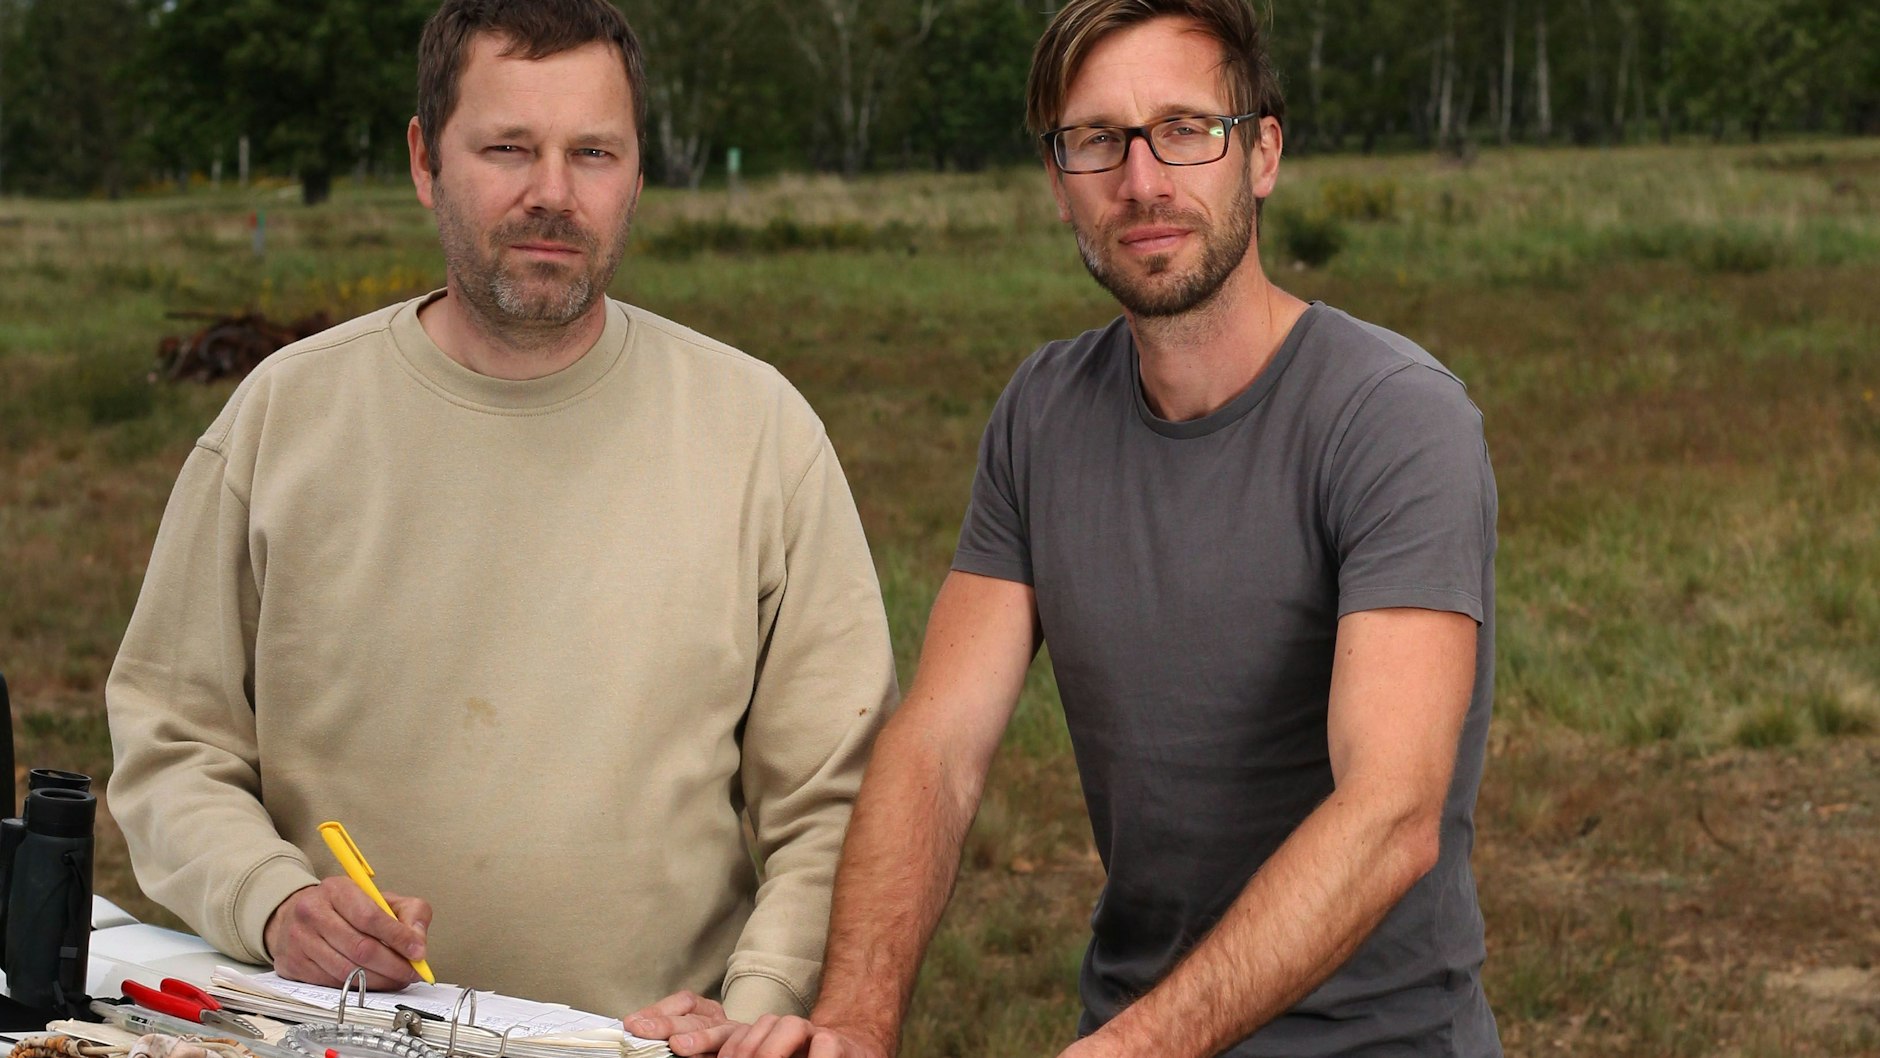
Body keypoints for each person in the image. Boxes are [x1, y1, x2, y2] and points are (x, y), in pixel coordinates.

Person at [642, 1, 1502, 1055]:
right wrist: (854, 1025)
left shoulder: (1395, 418)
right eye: (1095, 140)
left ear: (1261, 153)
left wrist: (1129, 1050)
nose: (1141, 181)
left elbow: (1390, 817)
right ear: (1058, 182)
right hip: (1127, 1018)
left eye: (1185, 129)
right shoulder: (1043, 411)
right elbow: (937, 749)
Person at [104, 0, 896, 1027]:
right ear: (426, 160)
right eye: (509, 148)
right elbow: (172, 739)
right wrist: (275, 898)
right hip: (327, 1031)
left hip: (646, 1044)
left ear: (638, 174)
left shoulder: (759, 432)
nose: (552, 194)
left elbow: (835, 801)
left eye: (593, 153)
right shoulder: (283, 418)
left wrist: (756, 1007)